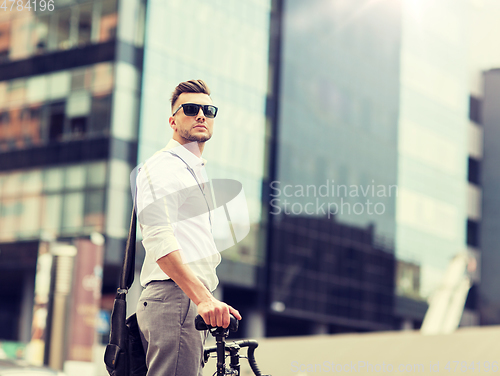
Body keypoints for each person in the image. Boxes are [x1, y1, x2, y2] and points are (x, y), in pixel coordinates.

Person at [135, 79, 242, 375]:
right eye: (191, 109)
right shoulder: (164, 167)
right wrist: (203, 298)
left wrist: (206, 297)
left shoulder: (192, 172)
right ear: (172, 120)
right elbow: (157, 238)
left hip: (185, 300)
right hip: (175, 299)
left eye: (208, 110)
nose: (201, 115)